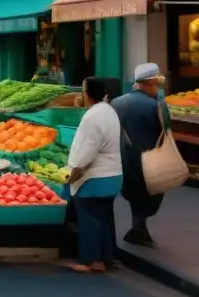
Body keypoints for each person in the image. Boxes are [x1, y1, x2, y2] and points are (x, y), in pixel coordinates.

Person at [111, 62, 171, 247]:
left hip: (124, 157)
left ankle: (138, 227)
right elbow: (166, 130)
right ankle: (138, 228)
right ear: (149, 83)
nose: (157, 88)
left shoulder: (117, 103)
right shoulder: (156, 106)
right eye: (156, 84)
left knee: (133, 193)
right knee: (150, 194)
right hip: (150, 158)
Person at [67, 77, 123, 273]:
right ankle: (108, 259)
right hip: (114, 176)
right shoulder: (109, 111)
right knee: (105, 217)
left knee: (89, 218)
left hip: (95, 178)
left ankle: (91, 261)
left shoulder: (92, 117)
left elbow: (86, 151)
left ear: (87, 94)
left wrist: (73, 173)